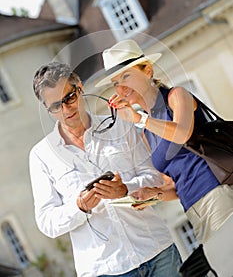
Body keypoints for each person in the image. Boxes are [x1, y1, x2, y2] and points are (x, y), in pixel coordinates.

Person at [29, 61, 182, 277]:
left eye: (69, 98)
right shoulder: (41, 155)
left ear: (79, 88)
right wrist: (79, 206)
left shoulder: (119, 125)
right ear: (47, 108)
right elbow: (46, 222)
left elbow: (154, 177)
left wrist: (125, 190)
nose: (65, 109)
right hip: (104, 269)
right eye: (55, 106)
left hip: (156, 252)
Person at [96, 39, 233, 244]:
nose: (121, 87)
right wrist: (154, 194)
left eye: (126, 76)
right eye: (116, 83)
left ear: (148, 71)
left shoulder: (176, 96)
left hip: (216, 193)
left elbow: (182, 133)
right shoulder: (146, 132)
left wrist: (139, 119)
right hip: (193, 209)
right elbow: (174, 185)